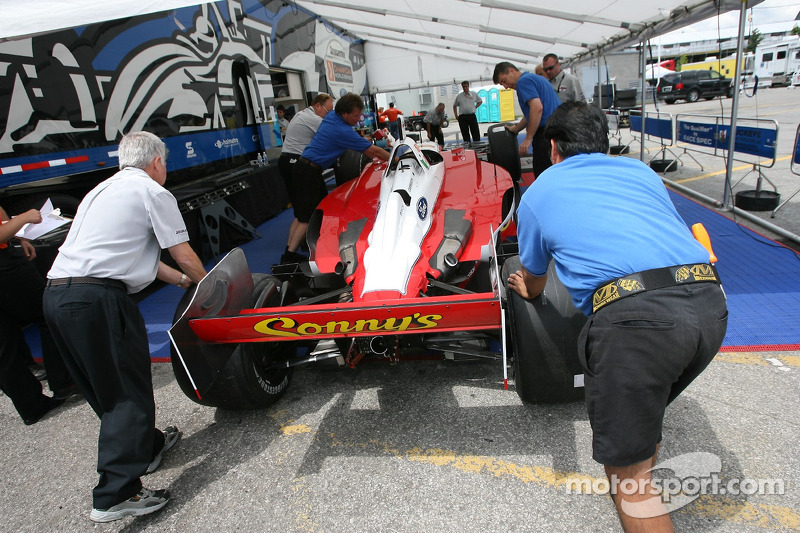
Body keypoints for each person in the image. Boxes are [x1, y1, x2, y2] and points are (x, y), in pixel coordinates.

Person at [507, 101, 728, 533]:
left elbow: (534, 279)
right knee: (641, 423)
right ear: (603, 141)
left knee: (628, 480)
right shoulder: (641, 172)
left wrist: (524, 287)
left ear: (553, 148)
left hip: (637, 323)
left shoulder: (539, 193)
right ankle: (641, 455)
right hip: (708, 305)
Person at [43, 131, 207, 523]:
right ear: (156, 162)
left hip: (58, 295)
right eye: (165, 162)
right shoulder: (153, 192)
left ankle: (147, 447)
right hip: (98, 299)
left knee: (105, 386)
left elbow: (134, 257)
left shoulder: (102, 190)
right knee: (127, 392)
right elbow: (182, 253)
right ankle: (115, 494)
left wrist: (183, 284)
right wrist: (208, 286)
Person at [289, 94, 390, 264]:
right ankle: (289, 257)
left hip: (305, 169)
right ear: (344, 114)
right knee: (307, 218)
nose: (359, 119)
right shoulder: (341, 130)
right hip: (308, 173)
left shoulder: (331, 117)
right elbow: (373, 151)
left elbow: (363, 147)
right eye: (356, 116)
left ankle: (290, 251)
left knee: (304, 216)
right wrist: (395, 158)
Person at [0, 207, 70, 425]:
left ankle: (31, 405)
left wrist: (15, 236)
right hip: (4, 268)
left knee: (4, 343)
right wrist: (23, 219)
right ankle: (65, 381)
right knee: (48, 314)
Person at [278, 93, 334, 263]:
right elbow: (334, 134)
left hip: (288, 162)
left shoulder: (301, 115)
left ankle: (291, 249)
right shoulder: (313, 119)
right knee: (307, 213)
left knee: (300, 212)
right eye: (327, 111)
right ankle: (290, 255)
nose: (328, 114)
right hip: (297, 164)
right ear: (317, 105)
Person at [493, 61, 561, 177]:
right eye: (502, 84)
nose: (505, 86)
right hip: (558, 130)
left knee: (543, 173)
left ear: (511, 71)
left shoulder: (523, 82)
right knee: (555, 170)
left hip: (545, 134)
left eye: (504, 81)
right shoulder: (535, 78)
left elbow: (537, 108)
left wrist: (528, 138)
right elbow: (531, 113)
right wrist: (516, 129)